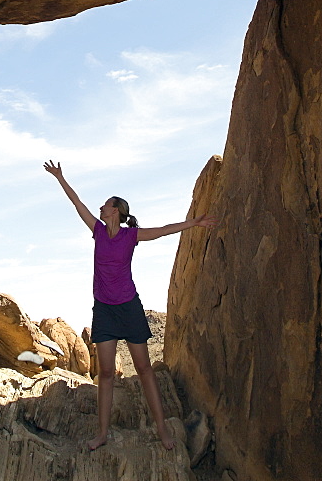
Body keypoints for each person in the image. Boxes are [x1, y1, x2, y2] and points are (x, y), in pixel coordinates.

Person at [43, 159, 220, 452]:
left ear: (116, 211)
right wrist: (60, 178)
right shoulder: (98, 231)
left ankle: (163, 430)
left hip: (128, 307)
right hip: (104, 309)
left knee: (144, 368)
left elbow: (163, 230)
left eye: (105, 206)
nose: (100, 208)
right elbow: (76, 203)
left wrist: (194, 223)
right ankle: (101, 434)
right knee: (107, 372)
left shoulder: (131, 236)